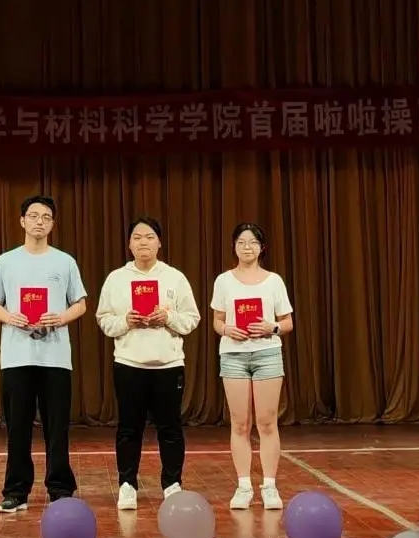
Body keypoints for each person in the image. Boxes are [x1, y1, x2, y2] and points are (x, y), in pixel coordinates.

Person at [0, 195, 88, 513]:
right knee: (18, 427)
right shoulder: (5, 262)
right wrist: (10, 317)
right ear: (22, 221)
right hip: (16, 356)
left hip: (55, 357)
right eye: (33, 215)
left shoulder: (64, 262)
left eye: (46, 216)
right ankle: (15, 491)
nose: (39, 221)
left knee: (57, 427)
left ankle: (60, 488)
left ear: (52, 224)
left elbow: (81, 304)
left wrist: (61, 317)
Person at [95, 217, 201, 511]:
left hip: (168, 365)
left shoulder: (174, 278)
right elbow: (103, 319)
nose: (144, 242)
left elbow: (192, 318)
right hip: (129, 364)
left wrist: (168, 317)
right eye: (138, 237)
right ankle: (127, 484)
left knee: (170, 428)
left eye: (150, 236)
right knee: (129, 428)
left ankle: (172, 483)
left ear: (160, 242)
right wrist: (125, 322)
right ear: (129, 244)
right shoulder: (116, 278)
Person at [210, 222, 294, 511]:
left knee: (267, 422)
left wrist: (271, 327)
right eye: (241, 242)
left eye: (253, 242)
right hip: (233, 355)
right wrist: (226, 330)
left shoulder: (274, 281)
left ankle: (269, 485)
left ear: (262, 247)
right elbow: (217, 320)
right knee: (240, 423)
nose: (247, 247)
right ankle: (243, 485)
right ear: (234, 247)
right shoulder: (223, 281)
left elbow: (287, 322)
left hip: (267, 354)